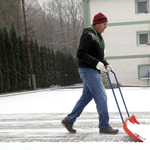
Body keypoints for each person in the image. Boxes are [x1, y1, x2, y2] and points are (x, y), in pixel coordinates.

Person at [61, 12, 118, 134]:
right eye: (104, 24)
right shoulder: (88, 35)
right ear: (97, 24)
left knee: (87, 96)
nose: (105, 27)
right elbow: (80, 54)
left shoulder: (97, 36)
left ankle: (69, 120)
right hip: (88, 70)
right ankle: (104, 126)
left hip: (91, 70)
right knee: (102, 97)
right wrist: (96, 63)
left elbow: (98, 55)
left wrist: (105, 63)